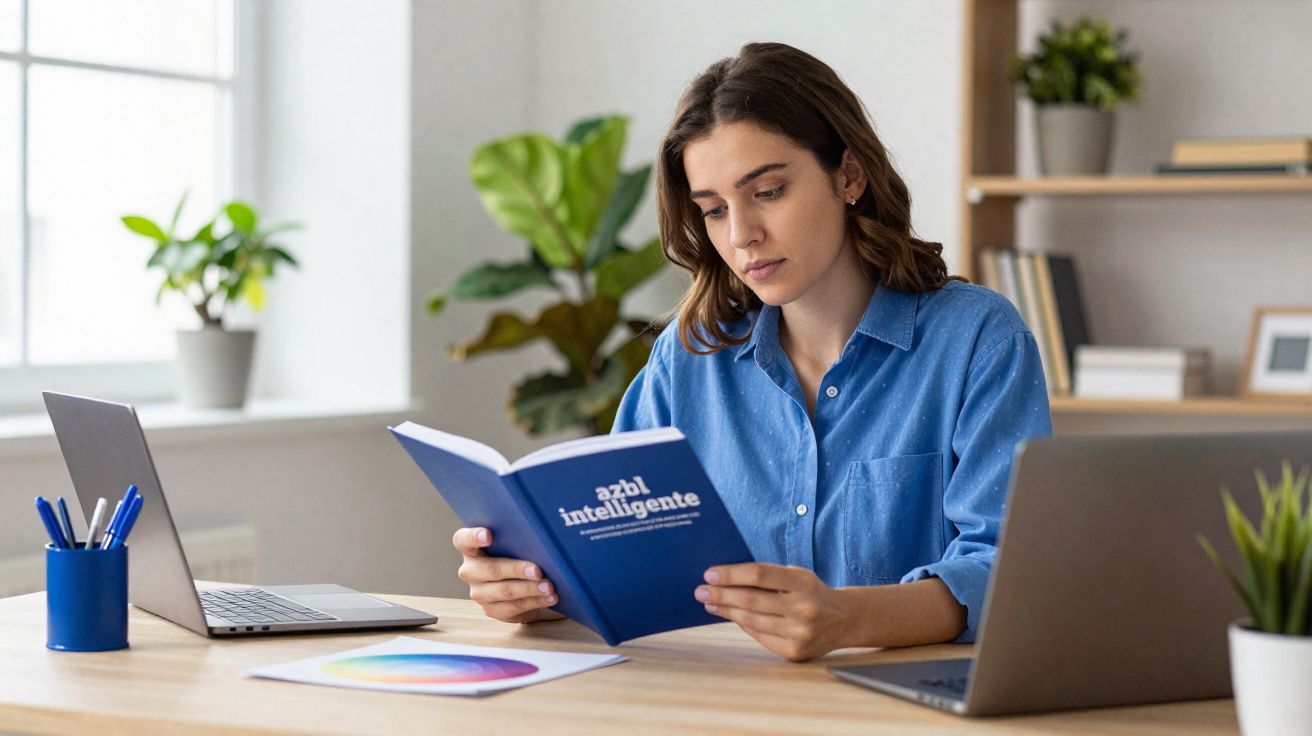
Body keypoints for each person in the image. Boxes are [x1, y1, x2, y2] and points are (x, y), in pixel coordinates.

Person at [451, 41, 1052, 661]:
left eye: (767, 192)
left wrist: (847, 618)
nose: (741, 236)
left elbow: (1008, 570)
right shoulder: (688, 361)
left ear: (848, 175)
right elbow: (620, 556)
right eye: (713, 210)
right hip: (725, 704)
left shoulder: (978, 340)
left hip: (908, 710)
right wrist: (533, 588)